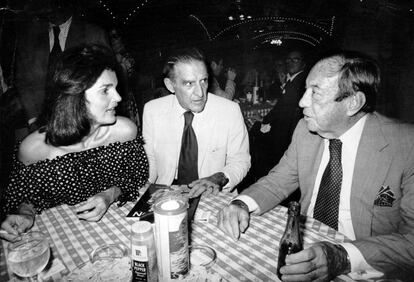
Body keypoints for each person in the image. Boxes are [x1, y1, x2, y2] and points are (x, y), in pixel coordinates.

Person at [217, 51, 414, 281]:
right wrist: (242, 203)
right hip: (305, 245)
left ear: (353, 103)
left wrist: (342, 257)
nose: (302, 102)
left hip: (365, 265)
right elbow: (278, 181)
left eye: (315, 93)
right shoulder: (306, 130)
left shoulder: (406, 146)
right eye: (305, 90)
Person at [0, 44, 149, 242]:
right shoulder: (34, 149)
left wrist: (109, 194)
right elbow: (25, 197)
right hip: (61, 237)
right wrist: (26, 215)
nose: (118, 97)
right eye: (106, 90)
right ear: (75, 96)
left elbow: (136, 176)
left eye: (115, 88)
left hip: (116, 229)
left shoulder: (124, 131)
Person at [142, 47, 250, 198]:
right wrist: (144, 187)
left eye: (203, 81)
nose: (200, 93)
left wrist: (218, 178)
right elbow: (150, 159)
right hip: (165, 192)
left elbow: (241, 160)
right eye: (189, 84)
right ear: (170, 85)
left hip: (212, 195)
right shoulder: (152, 110)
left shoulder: (229, 110)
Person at [14, 0, 111, 135]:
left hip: (86, 122)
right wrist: (33, 119)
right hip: (41, 124)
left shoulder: (93, 33)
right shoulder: (29, 39)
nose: (50, 6)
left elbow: (107, 80)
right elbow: (24, 81)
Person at [249, 50, 307, 186]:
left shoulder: (299, 82)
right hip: (283, 130)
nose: (290, 63)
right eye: (288, 60)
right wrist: (263, 120)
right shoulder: (292, 80)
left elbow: (285, 114)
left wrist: (262, 124)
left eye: (295, 60)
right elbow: (280, 108)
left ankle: (259, 180)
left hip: (284, 135)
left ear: (303, 64)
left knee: (253, 135)